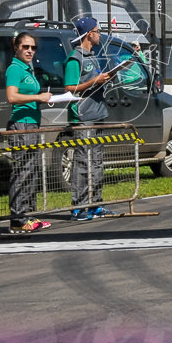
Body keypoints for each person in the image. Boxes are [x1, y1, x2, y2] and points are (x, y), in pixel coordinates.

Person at [63, 16, 117, 221]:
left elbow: (93, 82)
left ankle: (96, 203)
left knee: (97, 161)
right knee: (83, 161)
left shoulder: (93, 57)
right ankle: (79, 206)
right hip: (83, 116)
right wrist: (95, 80)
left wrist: (105, 78)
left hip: (98, 113)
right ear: (89, 34)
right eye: (97, 30)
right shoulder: (74, 59)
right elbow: (70, 88)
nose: (99, 33)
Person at [5, 31, 53, 234]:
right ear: (16, 47)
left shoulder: (28, 69)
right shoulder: (15, 69)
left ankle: (27, 214)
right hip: (21, 124)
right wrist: (38, 97)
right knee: (22, 172)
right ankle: (17, 218)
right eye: (25, 47)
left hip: (32, 123)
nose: (30, 51)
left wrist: (43, 98)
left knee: (31, 171)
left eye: (33, 47)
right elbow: (12, 97)